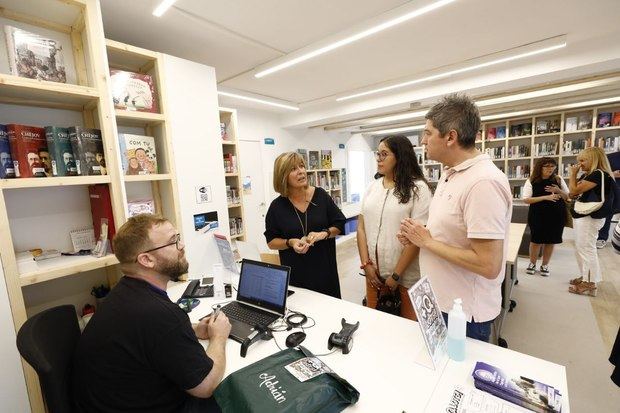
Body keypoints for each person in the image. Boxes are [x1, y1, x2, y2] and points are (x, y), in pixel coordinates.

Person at [72, 214, 231, 412]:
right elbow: (206, 386)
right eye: (173, 242)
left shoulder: (125, 293)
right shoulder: (160, 314)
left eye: (178, 238)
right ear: (146, 259)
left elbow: (146, 335)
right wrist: (219, 337)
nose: (181, 246)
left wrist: (197, 328)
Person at [398, 94, 512, 343]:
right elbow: (455, 230)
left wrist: (427, 242)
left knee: (453, 378)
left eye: (428, 133)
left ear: (451, 137)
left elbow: (488, 265)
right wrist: (421, 235)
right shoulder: (451, 173)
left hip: (462, 313)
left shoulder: (483, 183)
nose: (422, 141)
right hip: (440, 300)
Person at [356, 135, 431, 320]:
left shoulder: (418, 189)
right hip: (374, 275)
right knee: (377, 324)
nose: (379, 159)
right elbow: (361, 228)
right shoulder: (372, 187)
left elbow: (417, 237)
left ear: (400, 156)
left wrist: (396, 276)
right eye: (378, 154)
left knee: (407, 330)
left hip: (406, 278)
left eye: (384, 154)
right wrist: (366, 265)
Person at [264, 152, 346, 298]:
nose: (301, 171)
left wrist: (325, 233)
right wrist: (290, 242)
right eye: (293, 169)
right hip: (296, 278)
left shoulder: (321, 195)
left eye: (302, 166)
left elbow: (339, 222)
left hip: (325, 273)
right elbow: (271, 242)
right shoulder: (276, 207)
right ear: (282, 176)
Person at [567, 147, 615, 296]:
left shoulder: (597, 175)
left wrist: (572, 175)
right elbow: (572, 193)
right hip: (585, 215)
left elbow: (573, 191)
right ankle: (586, 276)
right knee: (583, 247)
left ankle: (590, 282)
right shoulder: (591, 175)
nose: (580, 164)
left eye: (582, 160)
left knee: (586, 248)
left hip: (589, 217)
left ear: (593, 159)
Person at [522, 157, 569, 276]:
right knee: (536, 241)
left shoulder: (558, 179)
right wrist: (545, 197)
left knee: (551, 241)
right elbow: (526, 200)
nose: (550, 169)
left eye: (552, 166)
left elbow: (568, 197)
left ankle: (545, 265)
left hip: (556, 215)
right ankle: (532, 263)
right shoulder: (531, 180)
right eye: (547, 166)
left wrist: (559, 190)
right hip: (538, 215)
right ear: (540, 167)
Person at [596, 150, 620, 248]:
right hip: (612, 190)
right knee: (607, 214)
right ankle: (601, 238)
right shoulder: (610, 157)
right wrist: (612, 174)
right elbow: (599, 172)